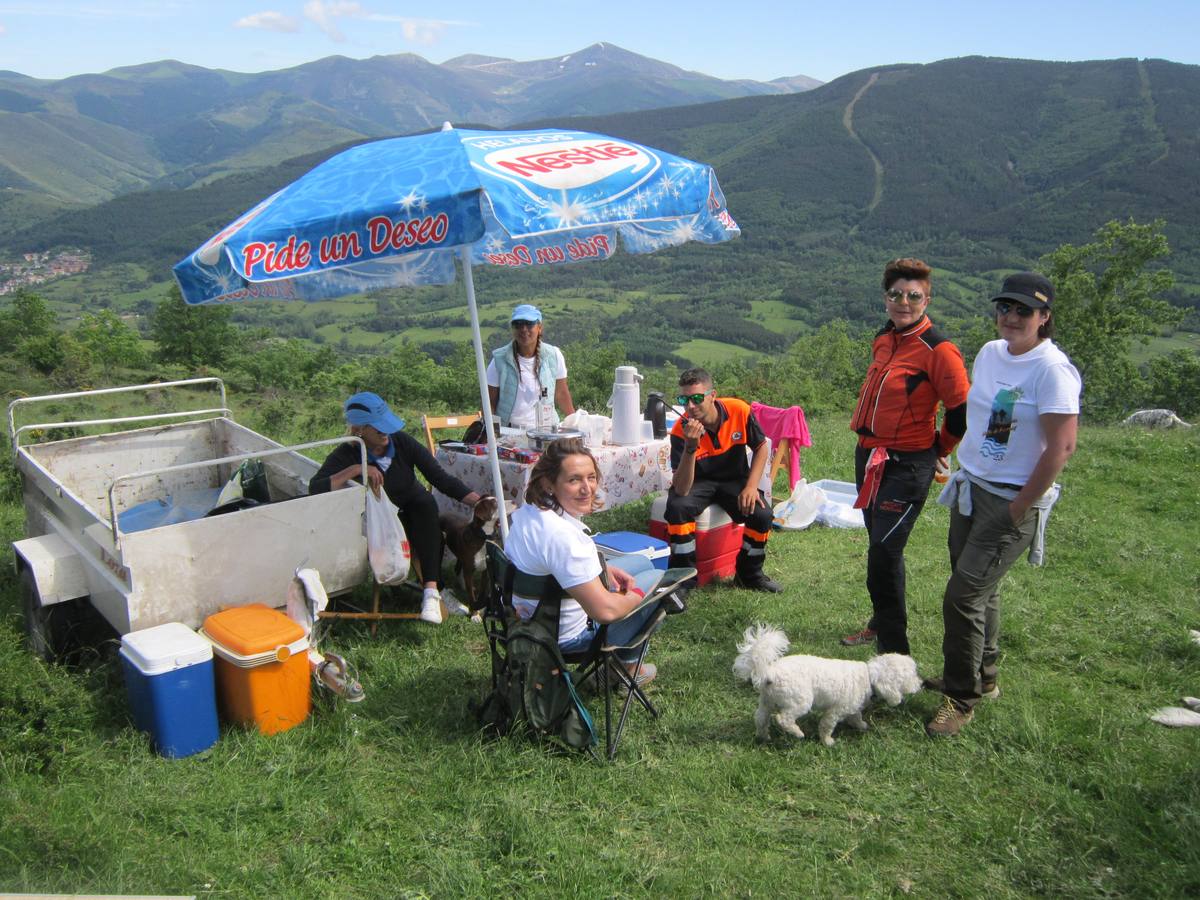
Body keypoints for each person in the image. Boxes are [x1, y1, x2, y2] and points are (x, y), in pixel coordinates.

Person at [926, 272, 1080, 736]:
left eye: (1024, 311)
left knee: (962, 596)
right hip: (973, 488)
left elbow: (1062, 447)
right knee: (980, 591)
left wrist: (1020, 507)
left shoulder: (1051, 370)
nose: (1011, 317)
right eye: (1005, 308)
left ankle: (960, 698)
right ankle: (983, 676)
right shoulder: (992, 353)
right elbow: (996, 417)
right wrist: (965, 462)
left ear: (1044, 318)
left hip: (1011, 502)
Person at [843, 258, 970, 654]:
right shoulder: (885, 338)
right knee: (877, 545)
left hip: (906, 464)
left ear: (927, 299)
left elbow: (962, 411)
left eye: (914, 295)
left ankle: (894, 654)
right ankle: (881, 622)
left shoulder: (939, 350)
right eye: (896, 294)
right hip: (869, 456)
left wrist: (938, 449)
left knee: (885, 550)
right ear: (886, 299)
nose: (905, 302)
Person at [309, 392, 482, 625]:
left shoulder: (401, 442)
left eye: (387, 427)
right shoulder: (348, 453)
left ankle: (432, 592)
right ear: (360, 430)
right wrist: (356, 469)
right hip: (378, 523)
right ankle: (432, 590)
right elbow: (316, 487)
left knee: (426, 504)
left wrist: (478, 502)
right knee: (422, 512)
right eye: (379, 429)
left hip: (412, 511)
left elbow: (439, 478)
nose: (386, 433)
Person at [504, 437, 665, 685]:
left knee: (641, 562)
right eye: (574, 480)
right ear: (549, 484)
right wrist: (641, 595)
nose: (587, 488)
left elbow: (553, 564)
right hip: (566, 637)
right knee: (658, 578)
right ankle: (625, 669)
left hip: (529, 619)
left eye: (591, 477)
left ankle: (623, 666)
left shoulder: (526, 515)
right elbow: (605, 611)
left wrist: (603, 569)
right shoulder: (564, 539)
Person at [664, 367, 781, 594]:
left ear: (713, 395)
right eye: (684, 400)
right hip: (697, 481)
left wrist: (750, 486)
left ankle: (749, 575)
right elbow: (681, 487)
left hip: (734, 479)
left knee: (763, 514)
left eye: (697, 399)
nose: (690, 407)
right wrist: (690, 448)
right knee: (677, 508)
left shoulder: (739, 410)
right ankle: (683, 581)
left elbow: (761, 448)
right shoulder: (681, 429)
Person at [487, 303, 575, 429]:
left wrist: (574, 424)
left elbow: (561, 394)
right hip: (510, 433)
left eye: (529, 324)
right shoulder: (499, 360)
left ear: (539, 328)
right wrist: (492, 434)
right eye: (518, 324)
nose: (523, 329)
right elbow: (490, 401)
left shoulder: (554, 355)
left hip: (547, 430)